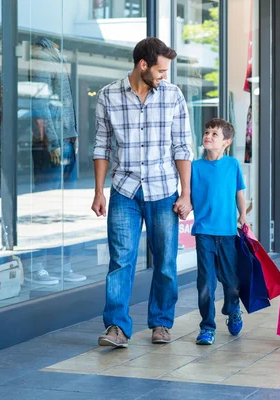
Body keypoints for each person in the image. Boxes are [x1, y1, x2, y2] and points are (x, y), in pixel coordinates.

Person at [92, 38, 193, 347]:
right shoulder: (108, 96)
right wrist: (98, 191)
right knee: (121, 260)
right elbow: (102, 146)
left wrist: (186, 193)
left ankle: (161, 323)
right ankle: (117, 327)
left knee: (165, 260)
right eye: (161, 70)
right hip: (124, 189)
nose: (164, 77)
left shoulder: (173, 96)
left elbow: (182, 146)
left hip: (163, 190)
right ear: (143, 65)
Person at [29, 36, 86, 285]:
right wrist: (52, 141)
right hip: (55, 144)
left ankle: (61, 264)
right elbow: (40, 102)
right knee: (47, 207)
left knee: (64, 210)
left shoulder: (57, 55)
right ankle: (37, 267)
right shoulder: (42, 57)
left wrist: (73, 137)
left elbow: (64, 104)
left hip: (67, 141)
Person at [190, 118, 246, 346]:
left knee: (231, 282)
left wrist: (242, 215)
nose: (208, 136)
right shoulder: (194, 167)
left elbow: (239, 193)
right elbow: (190, 196)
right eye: (206, 132)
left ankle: (233, 309)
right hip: (204, 232)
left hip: (228, 233)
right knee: (205, 283)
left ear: (226, 142)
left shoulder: (233, 165)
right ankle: (207, 327)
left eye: (214, 134)